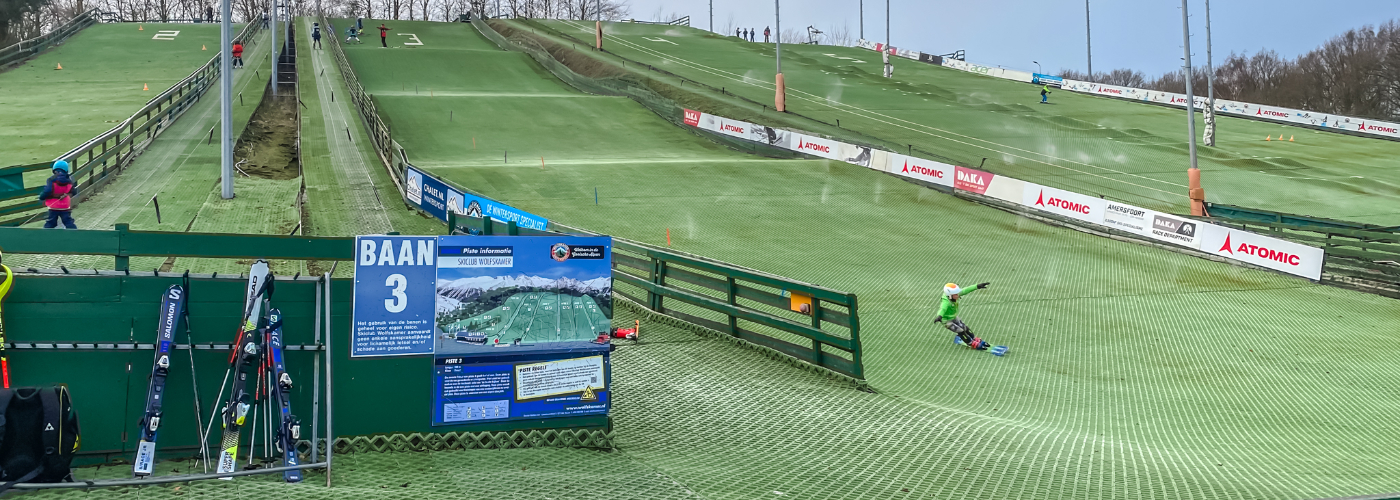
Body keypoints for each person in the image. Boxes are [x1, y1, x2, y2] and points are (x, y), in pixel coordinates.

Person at [934, 282, 991, 350]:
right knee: (960, 330)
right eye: (956, 294)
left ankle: (974, 338)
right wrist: (939, 316)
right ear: (950, 295)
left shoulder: (953, 295)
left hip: (954, 317)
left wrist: (977, 286)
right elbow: (942, 309)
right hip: (947, 321)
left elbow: (965, 290)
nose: (958, 295)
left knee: (965, 327)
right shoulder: (946, 302)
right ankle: (971, 343)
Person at [38, 160, 78, 229]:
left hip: (53, 206)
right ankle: (74, 233)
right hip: (65, 206)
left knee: (51, 222)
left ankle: (45, 235)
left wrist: (42, 197)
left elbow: (48, 191)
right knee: (68, 221)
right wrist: (66, 193)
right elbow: (74, 191)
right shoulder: (69, 180)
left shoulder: (51, 180)